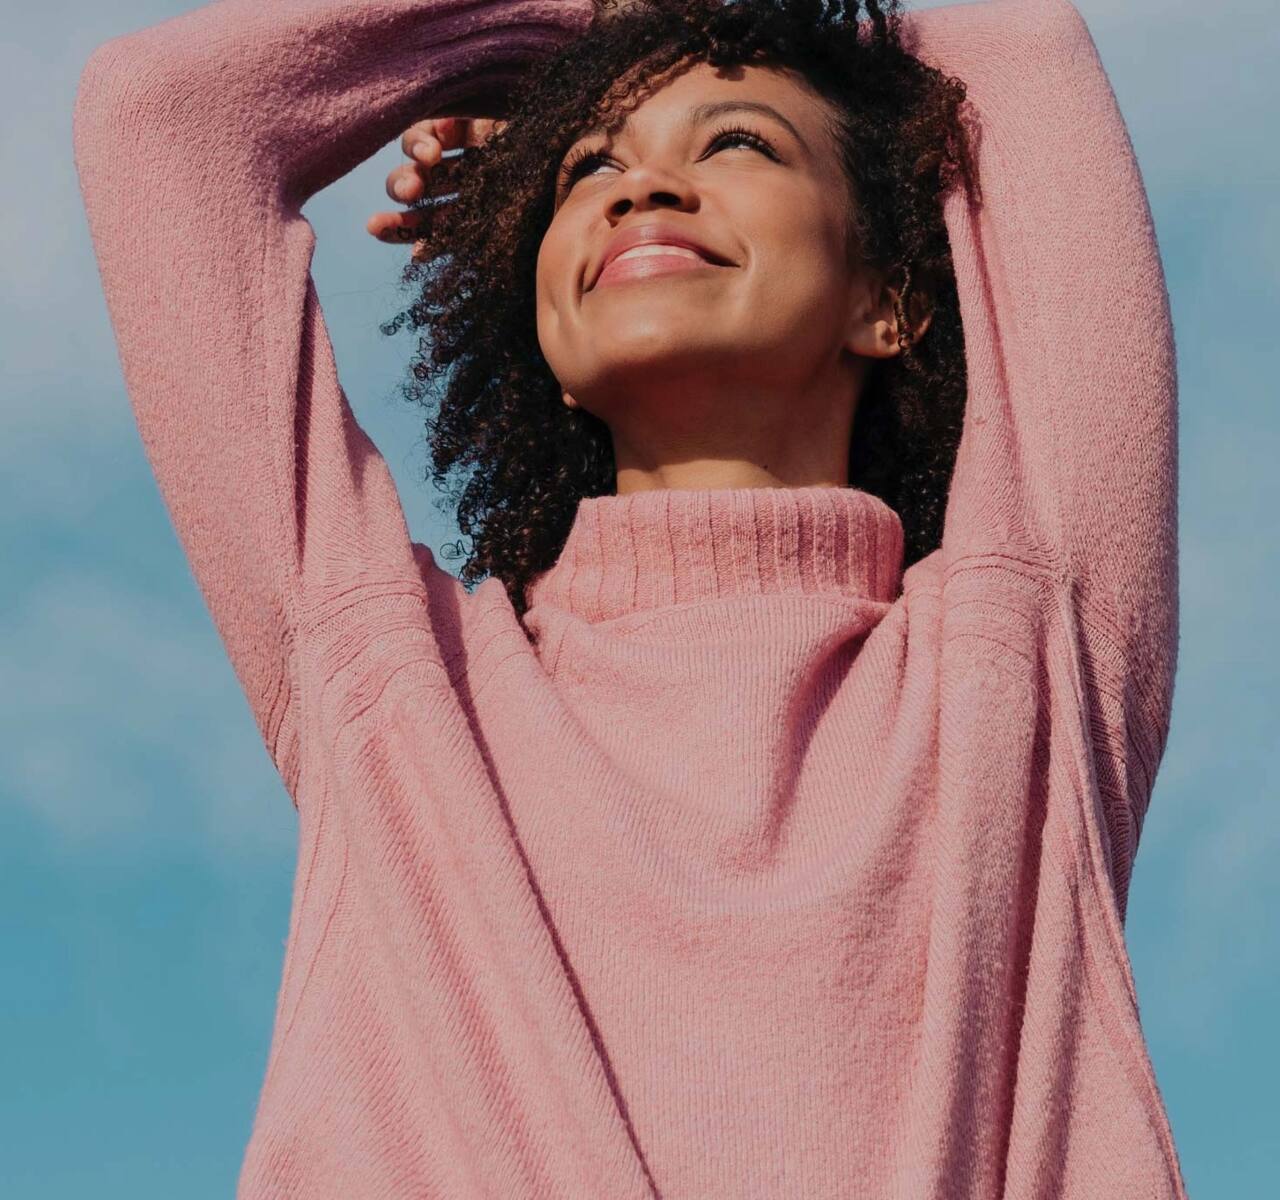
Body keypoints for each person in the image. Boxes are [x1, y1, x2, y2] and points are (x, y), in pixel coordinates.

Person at [73, 0, 1184, 1195]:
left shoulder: (1022, 659)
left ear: (891, 299)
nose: (640, 184)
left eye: (737, 142)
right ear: (537, 316)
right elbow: (161, 117)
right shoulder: (398, 690)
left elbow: (1016, 42)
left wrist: (708, 19)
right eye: (586, 165)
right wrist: (561, 31)